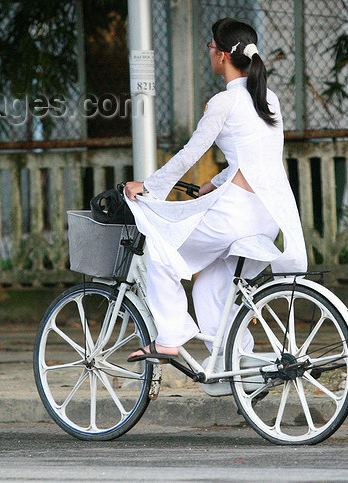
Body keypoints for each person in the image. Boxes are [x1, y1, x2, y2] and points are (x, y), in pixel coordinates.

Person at [125, 18, 307, 361]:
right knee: (208, 285)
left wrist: (148, 186)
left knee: (162, 248)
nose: (208, 52)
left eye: (210, 46)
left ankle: (169, 337)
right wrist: (215, 182)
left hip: (236, 216)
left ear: (222, 55)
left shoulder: (223, 102)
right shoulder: (268, 99)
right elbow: (255, 159)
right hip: (269, 215)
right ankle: (234, 364)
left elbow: (190, 153)